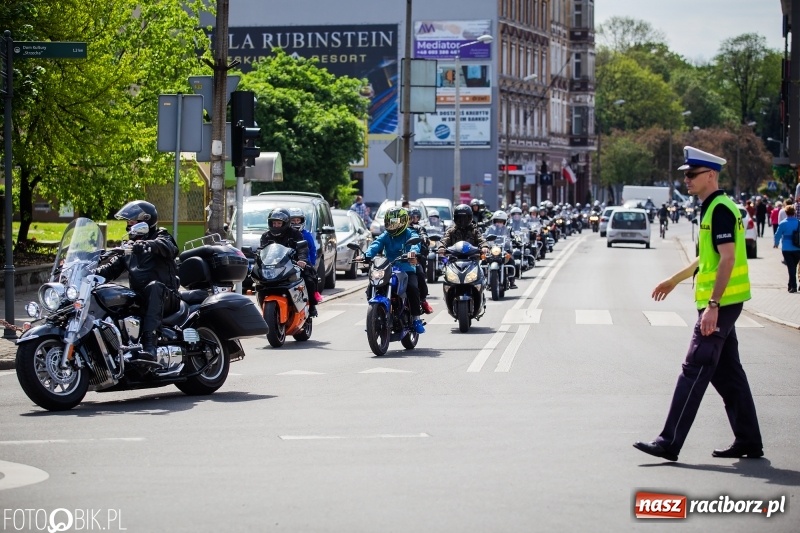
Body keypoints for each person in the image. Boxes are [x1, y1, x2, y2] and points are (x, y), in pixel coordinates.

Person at [634, 146, 762, 462]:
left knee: (694, 367)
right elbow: (706, 259)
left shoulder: (718, 208)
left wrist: (713, 305)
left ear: (710, 175)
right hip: (723, 302)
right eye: (686, 175)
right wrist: (674, 280)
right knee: (726, 373)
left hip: (722, 303)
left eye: (691, 175)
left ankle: (668, 441)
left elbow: (729, 258)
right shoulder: (712, 207)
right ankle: (748, 440)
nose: (686, 180)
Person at [96, 201, 179, 363]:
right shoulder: (130, 247)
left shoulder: (161, 236)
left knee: (154, 288)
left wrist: (147, 245)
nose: (129, 226)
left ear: (145, 221)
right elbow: (110, 270)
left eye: (132, 222)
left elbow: (170, 248)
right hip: (141, 299)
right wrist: (89, 273)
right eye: (128, 223)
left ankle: (150, 346)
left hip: (167, 297)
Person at [364, 207, 425, 333]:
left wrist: (413, 252)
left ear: (403, 221)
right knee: (371, 287)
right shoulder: (386, 235)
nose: (392, 226)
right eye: (390, 222)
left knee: (412, 288)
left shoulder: (409, 233)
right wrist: (366, 255)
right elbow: (376, 244)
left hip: (407, 268)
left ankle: (416, 318)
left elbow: (415, 244)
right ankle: (375, 315)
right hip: (388, 268)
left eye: (395, 222)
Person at [256, 208, 316, 316]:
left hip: (292, 263)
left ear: (285, 223)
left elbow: (302, 248)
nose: (276, 225)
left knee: (309, 278)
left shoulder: (295, 233)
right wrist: (257, 261)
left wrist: (302, 260)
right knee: (259, 283)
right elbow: (261, 251)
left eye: (279, 223)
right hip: (273, 266)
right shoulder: (266, 236)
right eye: (274, 223)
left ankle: (311, 306)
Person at [287, 207, 319, 316]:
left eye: (298, 220)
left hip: (303, 263)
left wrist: (310, 264)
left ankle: (312, 306)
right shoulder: (285, 233)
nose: (296, 223)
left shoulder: (306, 234)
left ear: (302, 221)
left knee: (310, 281)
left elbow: (312, 249)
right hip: (286, 263)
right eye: (293, 220)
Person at [408, 207, 433, 314]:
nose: (413, 219)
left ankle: (423, 300)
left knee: (420, 273)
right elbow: (380, 242)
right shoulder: (394, 231)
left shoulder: (417, 229)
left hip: (415, 257)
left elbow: (420, 237)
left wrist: (424, 238)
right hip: (396, 260)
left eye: (416, 217)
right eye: (411, 217)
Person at [483, 210, 517, 289]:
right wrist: (483, 238)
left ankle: (512, 281)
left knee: (511, 259)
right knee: (483, 260)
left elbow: (511, 236)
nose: (499, 223)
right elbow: (484, 236)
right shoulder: (490, 229)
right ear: (494, 221)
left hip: (503, 249)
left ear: (504, 222)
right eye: (497, 221)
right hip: (492, 249)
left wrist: (514, 239)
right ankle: (482, 278)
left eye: (501, 222)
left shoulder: (507, 229)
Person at [774, 204, 800, 292]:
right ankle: (790, 285)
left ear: (786, 213)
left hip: (786, 249)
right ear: (794, 212)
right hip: (797, 248)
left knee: (791, 267)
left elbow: (777, 235)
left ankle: (793, 286)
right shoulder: (798, 222)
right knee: (794, 267)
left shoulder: (783, 223)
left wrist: (776, 244)